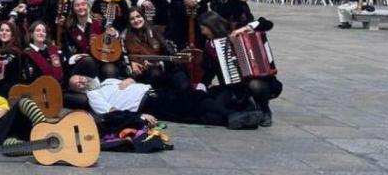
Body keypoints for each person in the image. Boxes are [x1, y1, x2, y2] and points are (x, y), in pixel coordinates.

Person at [67, 72, 261, 131]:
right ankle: (234, 115)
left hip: (154, 92)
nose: (82, 81)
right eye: (78, 84)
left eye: (81, 78)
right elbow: (112, 113)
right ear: (79, 91)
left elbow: (129, 81)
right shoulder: (94, 97)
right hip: (149, 105)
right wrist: (139, 116)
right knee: (194, 108)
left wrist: (130, 80)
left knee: (197, 102)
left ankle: (238, 112)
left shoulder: (106, 81)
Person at [198, 11, 282, 127]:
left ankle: (264, 109)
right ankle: (243, 114)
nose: (202, 33)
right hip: (232, 86)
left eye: (203, 29)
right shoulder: (210, 46)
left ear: (210, 26)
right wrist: (202, 85)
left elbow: (267, 23)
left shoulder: (236, 28)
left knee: (255, 85)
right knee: (214, 104)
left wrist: (244, 29)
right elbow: (210, 70)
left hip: (257, 80)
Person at [121, 7, 189, 92]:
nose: (136, 20)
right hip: (143, 73)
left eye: (138, 16)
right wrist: (133, 63)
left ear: (143, 17)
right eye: (132, 19)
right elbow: (126, 57)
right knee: (154, 73)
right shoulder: (126, 36)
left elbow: (168, 50)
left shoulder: (155, 30)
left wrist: (160, 63)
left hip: (162, 65)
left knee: (181, 79)